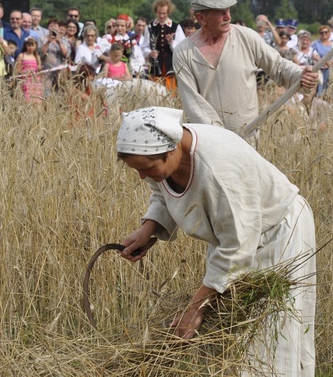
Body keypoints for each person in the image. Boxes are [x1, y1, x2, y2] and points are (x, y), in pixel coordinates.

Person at [117, 107, 315, 376]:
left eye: (148, 168)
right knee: (235, 337)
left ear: (171, 150)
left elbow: (237, 247)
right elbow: (160, 187)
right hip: (237, 236)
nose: (143, 177)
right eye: (138, 171)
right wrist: (149, 228)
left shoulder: (218, 170)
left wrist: (194, 309)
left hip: (277, 233)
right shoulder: (165, 159)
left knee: (271, 337)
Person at [172, 0, 318, 136]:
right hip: (206, 140)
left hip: (247, 136)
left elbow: (278, 66)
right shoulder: (184, 52)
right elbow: (192, 102)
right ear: (201, 18)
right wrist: (217, 136)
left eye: (228, 11)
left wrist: (301, 77)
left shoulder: (246, 37)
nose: (228, 17)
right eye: (221, 12)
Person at [142, 0, 186, 89]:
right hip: (154, 66)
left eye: (164, 13)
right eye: (159, 13)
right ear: (156, 11)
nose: (161, 16)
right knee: (154, 91)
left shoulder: (176, 27)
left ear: (168, 12)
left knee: (171, 91)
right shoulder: (150, 27)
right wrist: (150, 53)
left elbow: (182, 48)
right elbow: (144, 47)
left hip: (170, 65)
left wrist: (171, 42)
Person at [14, 37, 43, 104]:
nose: (30, 47)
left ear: (35, 46)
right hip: (26, 80)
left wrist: (39, 68)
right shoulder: (21, 55)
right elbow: (17, 69)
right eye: (29, 45)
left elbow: (39, 68)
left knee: (37, 99)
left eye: (32, 45)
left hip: (36, 81)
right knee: (27, 99)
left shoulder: (37, 56)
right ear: (26, 46)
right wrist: (24, 72)